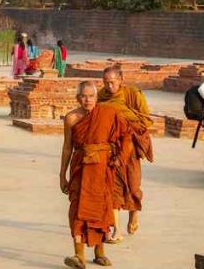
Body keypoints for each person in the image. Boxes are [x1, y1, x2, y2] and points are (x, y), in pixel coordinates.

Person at [61, 81, 131, 268]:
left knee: (101, 209)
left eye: (91, 96)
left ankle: (99, 252)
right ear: (78, 98)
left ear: (96, 97)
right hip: (80, 168)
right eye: (83, 96)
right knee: (77, 210)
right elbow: (67, 148)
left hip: (102, 168)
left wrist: (120, 158)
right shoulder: (71, 118)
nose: (87, 100)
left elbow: (126, 135)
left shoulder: (108, 114)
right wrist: (62, 175)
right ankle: (79, 255)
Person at [98, 67, 154, 239]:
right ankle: (116, 230)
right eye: (106, 82)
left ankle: (133, 215)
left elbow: (146, 120)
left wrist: (125, 125)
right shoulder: (101, 96)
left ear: (121, 79)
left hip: (130, 148)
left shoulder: (132, 94)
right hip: (111, 148)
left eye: (112, 82)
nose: (109, 86)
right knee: (113, 188)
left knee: (133, 185)